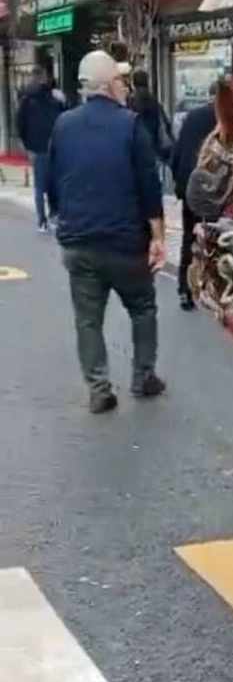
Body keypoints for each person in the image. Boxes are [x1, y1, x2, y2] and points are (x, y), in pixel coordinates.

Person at [47, 49, 166, 415]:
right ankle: (143, 377)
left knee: (88, 319)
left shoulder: (63, 125)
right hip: (125, 244)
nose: (125, 87)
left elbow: (52, 182)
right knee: (142, 308)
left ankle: (99, 389)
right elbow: (149, 186)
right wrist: (158, 237)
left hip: (79, 243)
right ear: (110, 84)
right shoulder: (131, 125)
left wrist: (64, 218)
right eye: (121, 80)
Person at [169, 84, 218, 311]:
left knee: (189, 237)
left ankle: (184, 289)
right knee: (215, 238)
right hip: (214, 191)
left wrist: (179, 185)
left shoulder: (192, 117)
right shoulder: (225, 120)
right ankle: (212, 287)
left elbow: (177, 152)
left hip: (189, 186)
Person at [16, 65, 65, 232]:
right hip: (53, 144)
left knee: (39, 185)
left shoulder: (26, 99)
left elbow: (21, 123)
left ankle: (42, 220)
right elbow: (62, 117)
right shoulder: (53, 98)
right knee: (54, 182)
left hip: (37, 146)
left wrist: (26, 143)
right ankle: (54, 213)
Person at [128, 68, 174, 166]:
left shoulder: (130, 102)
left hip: (136, 146)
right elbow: (165, 124)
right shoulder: (154, 101)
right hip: (154, 147)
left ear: (134, 83)